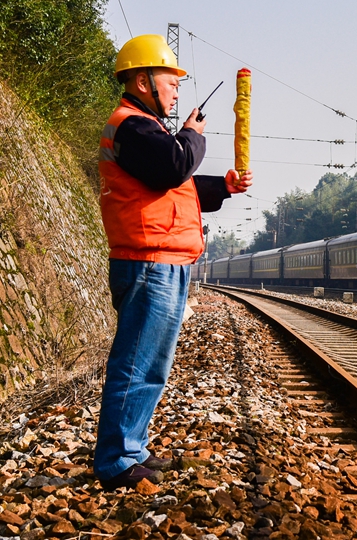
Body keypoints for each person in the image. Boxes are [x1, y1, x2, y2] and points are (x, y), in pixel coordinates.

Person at [94, 34, 253, 490]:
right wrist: (192, 134)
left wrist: (223, 185)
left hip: (162, 261)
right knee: (138, 362)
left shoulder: (149, 131)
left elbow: (175, 185)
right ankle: (117, 461)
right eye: (171, 80)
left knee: (151, 364)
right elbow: (174, 166)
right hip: (148, 261)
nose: (178, 90)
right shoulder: (132, 126)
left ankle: (132, 449)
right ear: (143, 81)